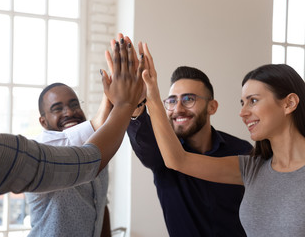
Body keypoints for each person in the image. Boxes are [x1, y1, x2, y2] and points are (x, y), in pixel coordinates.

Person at [0, 15, 144, 236]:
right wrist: (122, 104)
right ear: (43, 121)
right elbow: (86, 160)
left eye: (74, 104)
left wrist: (118, 106)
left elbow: (99, 202)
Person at [142, 44, 305, 236]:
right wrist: (151, 96)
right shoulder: (251, 168)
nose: (242, 113)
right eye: (242, 103)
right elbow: (178, 160)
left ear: (289, 103)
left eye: (253, 100)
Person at [107, 39, 252, 235]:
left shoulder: (241, 151)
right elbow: (146, 141)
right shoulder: (162, 153)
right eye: (172, 100)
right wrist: (137, 104)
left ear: (212, 106)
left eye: (189, 99)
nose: (178, 109)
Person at [25, 83, 111, 237]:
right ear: (43, 122)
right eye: (57, 108)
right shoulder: (41, 153)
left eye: (74, 105)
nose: (70, 112)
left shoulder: (97, 149)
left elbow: (101, 206)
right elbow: (66, 144)